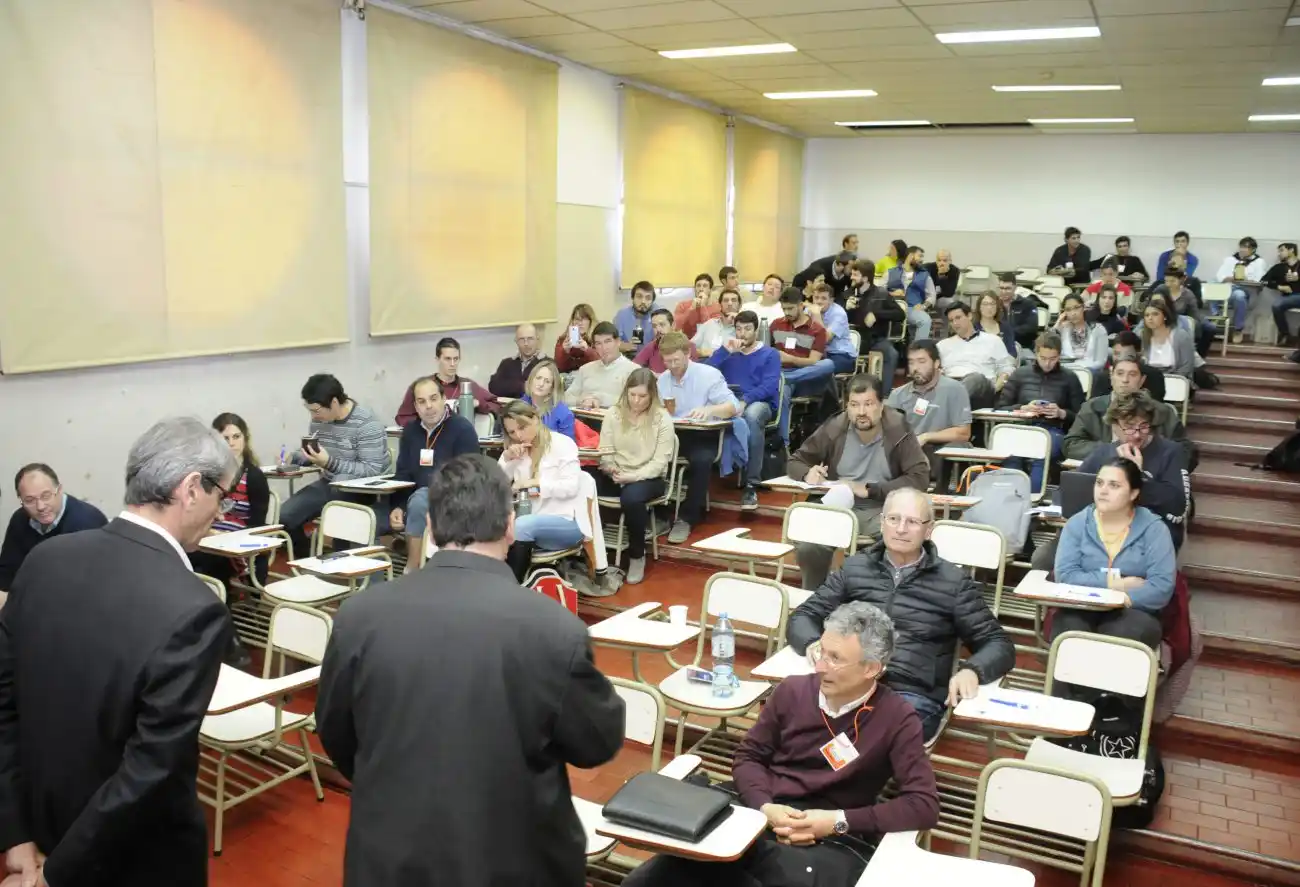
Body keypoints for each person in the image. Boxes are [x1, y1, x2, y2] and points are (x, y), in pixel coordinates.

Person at [315, 453, 624, 887]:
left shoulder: (359, 614)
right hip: (514, 862)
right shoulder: (554, 629)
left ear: (433, 528)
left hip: (389, 858)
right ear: (511, 525)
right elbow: (597, 742)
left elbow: (336, 733)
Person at [0, 417, 236, 887]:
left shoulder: (46, 562)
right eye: (222, 495)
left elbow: (5, 705)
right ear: (191, 489)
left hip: (44, 830)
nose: (222, 510)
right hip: (131, 858)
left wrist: (16, 833)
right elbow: (150, 771)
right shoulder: (194, 609)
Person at [622, 602, 939, 887]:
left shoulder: (897, 718)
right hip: (760, 809)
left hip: (826, 834)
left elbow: (923, 805)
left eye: (835, 659)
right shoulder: (793, 690)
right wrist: (764, 806)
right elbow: (749, 757)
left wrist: (838, 821)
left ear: (872, 669)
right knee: (659, 876)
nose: (819, 667)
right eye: (821, 652)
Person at [787, 488, 1016, 740]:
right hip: (849, 682)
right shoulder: (855, 568)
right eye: (893, 519)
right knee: (788, 714)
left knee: (855, 740)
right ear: (882, 523)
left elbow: (999, 644)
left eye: (912, 521)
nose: (901, 529)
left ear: (929, 530)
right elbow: (804, 615)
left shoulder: (953, 583)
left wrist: (972, 670)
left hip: (912, 696)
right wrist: (811, 642)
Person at [786, 375, 929, 588]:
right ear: (847, 406)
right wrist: (808, 473)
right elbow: (795, 461)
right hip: (839, 506)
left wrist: (871, 490)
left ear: (881, 405)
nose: (861, 412)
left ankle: (884, 596)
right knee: (809, 544)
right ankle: (814, 598)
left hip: (882, 507)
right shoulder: (835, 427)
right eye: (854, 405)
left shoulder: (897, 429)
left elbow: (919, 477)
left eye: (868, 404)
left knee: (900, 539)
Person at [1052, 457, 1175, 652]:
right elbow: (1066, 576)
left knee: (1117, 638)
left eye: (1114, 485)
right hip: (1082, 606)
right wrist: (1115, 584)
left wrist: (1122, 599)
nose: (1103, 490)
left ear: (1134, 493)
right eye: (1099, 483)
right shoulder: (1077, 523)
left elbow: (1161, 587)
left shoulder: (1155, 529)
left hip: (1134, 610)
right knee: (1069, 635)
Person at [188, 413, 271, 666]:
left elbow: (257, 525)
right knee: (185, 561)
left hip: (239, 547)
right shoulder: (207, 475)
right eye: (226, 438)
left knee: (211, 569)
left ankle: (228, 640)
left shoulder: (254, 476)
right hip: (209, 539)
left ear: (245, 440)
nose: (232, 442)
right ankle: (206, 629)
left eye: (237, 437)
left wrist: (226, 537)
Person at [282, 374, 392, 555]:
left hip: (363, 490)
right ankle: (305, 560)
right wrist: (294, 458)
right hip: (330, 484)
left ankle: (345, 562)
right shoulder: (319, 420)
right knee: (284, 517)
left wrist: (329, 463)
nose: (313, 416)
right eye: (309, 410)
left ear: (333, 403)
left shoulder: (367, 423)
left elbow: (372, 470)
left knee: (340, 505)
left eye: (316, 410)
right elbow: (318, 454)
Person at [1077, 391, 1189, 550]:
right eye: (1129, 428)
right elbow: (1070, 491)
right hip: (1105, 530)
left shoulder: (1171, 452)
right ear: (1114, 426)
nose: (1137, 435)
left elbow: (1178, 506)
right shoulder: (1104, 452)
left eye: (1143, 426)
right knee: (1045, 557)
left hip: (1153, 534)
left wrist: (1138, 476)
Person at [389, 377, 479, 570]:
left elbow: (469, 478)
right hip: (414, 501)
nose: (428, 406)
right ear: (415, 406)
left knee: (421, 499)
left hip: (453, 500)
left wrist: (432, 492)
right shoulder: (411, 432)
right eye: (422, 402)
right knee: (367, 513)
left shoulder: (462, 429)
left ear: (443, 398)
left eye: (433, 398)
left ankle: (413, 569)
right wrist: (397, 506)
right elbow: (403, 474)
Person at [595, 368, 676, 583]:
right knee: (583, 481)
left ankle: (637, 555)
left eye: (642, 396)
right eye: (632, 395)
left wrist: (634, 476)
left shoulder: (662, 418)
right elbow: (605, 450)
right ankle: (588, 552)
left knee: (631, 498)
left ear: (652, 396)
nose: (636, 401)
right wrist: (609, 466)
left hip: (650, 477)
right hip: (617, 472)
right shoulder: (614, 413)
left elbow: (660, 463)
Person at [658, 332, 739, 544]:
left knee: (702, 460)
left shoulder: (708, 374)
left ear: (688, 354)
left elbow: (733, 407)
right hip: (674, 433)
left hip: (703, 435)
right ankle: (657, 512)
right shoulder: (662, 379)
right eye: (667, 361)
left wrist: (710, 409)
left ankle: (687, 516)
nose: (672, 366)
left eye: (676, 360)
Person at [498, 401, 588, 581]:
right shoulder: (517, 451)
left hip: (566, 521)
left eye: (522, 427)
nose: (519, 435)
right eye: (512, 432)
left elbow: (570, 487)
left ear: (536, 419)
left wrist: (536, 482)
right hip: (529, 521)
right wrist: (506, 460)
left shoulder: (562, 443)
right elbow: (494, 486)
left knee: (522, 525)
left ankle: (512, 590)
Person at [708, 310, 782, 511]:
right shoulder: (728, 353)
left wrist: (745, 401)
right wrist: (724, 351)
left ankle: (751, 484)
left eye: (747, 329)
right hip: (729, 400)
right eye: (738, 329)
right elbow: (703, 371)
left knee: (751, 415)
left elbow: (769, 386)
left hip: (761, 403)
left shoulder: (769, 354)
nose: (742, 334)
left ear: (756, 330)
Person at [1063, 357, 1194, 469]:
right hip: (1102, 472)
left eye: (1132, 374)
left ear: (1142, 380)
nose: (1125, 380)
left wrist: (1149, 455)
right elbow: (1070, 445)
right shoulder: (1091, 408)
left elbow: (1187, 452)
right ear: (1111, 376)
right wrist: (1112, 450)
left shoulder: (1163, 412)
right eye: (1120, 373)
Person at [0, 464, 107, 597]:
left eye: (46, 496)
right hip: (29, 602)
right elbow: (7, 572)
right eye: (29, 500)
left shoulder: (87, 523)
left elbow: (91, 586)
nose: (40, 506)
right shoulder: (20, 519)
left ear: (60, 490)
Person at [997, 332, 1085, 490]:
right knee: (1011, 455)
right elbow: (1000, 407)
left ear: (1059, 356)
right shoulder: (1020, 374)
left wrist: (1061, 413)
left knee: (1041, 454)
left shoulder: (1070, 378)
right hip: (1020, 427)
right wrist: (1022, 408)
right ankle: (1013, 496)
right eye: (1043, 358)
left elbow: (1082, 416)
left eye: (1053, 359)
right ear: (1036, 354)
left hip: (1053, 429)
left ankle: (1033, 497)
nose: (1048, 363)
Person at [887, 340, 973, 478]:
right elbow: (889, 431)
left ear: (936, 363)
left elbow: (963, 433)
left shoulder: (955, 389)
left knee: (954, 448)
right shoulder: (898, 394)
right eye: (911, 362)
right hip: (909, 452)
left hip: (940, 449)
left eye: (921, 361)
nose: (915, 368)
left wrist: (926, 437)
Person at [771, 286, 835, 443]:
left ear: (801, 305)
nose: (787, 313)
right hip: (781, 373)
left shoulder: (816, 329)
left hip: (805, 376)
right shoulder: (776, 325)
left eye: (790, 308)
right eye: (784, 309)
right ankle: (783, 444)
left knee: (828, 364)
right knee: (782, 391)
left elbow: (814, 361)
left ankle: (786, 378)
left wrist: (790, 359)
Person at [395, 337, 499, 426]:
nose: (453, 364)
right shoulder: (421, 387)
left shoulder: (467, 386)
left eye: (456, 359)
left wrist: (478, 404)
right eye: (448, 359)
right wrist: (426, 422)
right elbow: (402, 417)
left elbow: (497, 405)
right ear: (437, 359)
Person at [936, 302, 1014, 410]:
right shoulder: (942, 345)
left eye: (958, 318)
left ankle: (946, 408)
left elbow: (1006, 369)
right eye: (951, 320)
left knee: (975, 378)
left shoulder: (993, 341)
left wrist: (996, 388)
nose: (955, 323)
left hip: (982, 388)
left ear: (969, 316)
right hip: (951, 385)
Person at [846, 258, 903, 394]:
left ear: (865, 278)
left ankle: (884, 396)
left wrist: (876, 314)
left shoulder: (881, 294)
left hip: (874, 340)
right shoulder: (847, 294)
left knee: (891, 354)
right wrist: (846, 308)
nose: (851, 277)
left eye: (855, 274)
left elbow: (900, 314)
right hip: (852, 340)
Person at [564, 321, 636, 410]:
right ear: (594, 347)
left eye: (608, 341)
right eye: (598, 343)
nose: (604, 348)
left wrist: (599, 399)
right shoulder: (585, 369)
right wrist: (582, 400)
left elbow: (634, 402)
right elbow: (565, 397)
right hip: (583, 417)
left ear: (618, 342)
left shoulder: (633, 370)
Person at [1214, 236, 1268, 343]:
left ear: (1253, 250)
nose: (1243, 249)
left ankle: (1238, 329)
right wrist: (1229, 278)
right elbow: (1219, 276)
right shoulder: (1230, 260)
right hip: (1228, 288)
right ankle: (1216, 317)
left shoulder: (1258, 262)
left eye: (1247, 247)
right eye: (1242, 246)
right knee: (1212, 285)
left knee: (1239, 295)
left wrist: (1246, 279)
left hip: (1246, 290)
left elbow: (1260, 280)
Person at [1151, 266, 1214, 355]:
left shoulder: (1188, 294)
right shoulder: (1160, 289)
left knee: (1209, 328)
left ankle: (1198, 355)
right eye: (1166, 281)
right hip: (1163, 319)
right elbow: (1151, 307)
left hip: (1184, 319)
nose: (1169, 284)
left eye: (1172, 281)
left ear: (1181, 280)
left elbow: (1194, 315)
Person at [1093, 330, 1166, 402]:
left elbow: (1157, 408)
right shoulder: (1102, 378)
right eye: (1116, 354)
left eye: (1127, 355)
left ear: (1139, 354)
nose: (1120, 359)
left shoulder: (1154, 376)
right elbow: (1095, 406)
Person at [807, 281, 858, 375]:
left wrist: (817, 316)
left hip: (841, 355)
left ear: (831, 300)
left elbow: (825, 339)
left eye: (823, 298)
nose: (818, 302)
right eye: (816, 298)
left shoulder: (839, 313)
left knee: (819, 369)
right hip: (818, 353)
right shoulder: (808, 311)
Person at [887, 245, 935, 340]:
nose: (921, 260)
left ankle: (917, 350)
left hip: (912, 309)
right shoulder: (890, 272)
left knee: (925, 320)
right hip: (893, 307)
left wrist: (923, 306)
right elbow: (878, 291)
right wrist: (892, 294)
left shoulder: (924, 274)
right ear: (910, 256)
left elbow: (932, 295)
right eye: (919, 256)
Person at [1139, 298, 1195, 379]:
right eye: (1147, 315)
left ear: (1165, 316)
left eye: (1155, 314)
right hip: (1151, 378)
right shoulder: (1144, 336)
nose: (1150, 318)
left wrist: (1171, 379)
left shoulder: (1181, 335)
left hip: (1176, 378)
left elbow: (1187, 365)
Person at [522, 359, 576, 440]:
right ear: (531, 379)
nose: (541, 384)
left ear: (552, 388)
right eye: (538, 378)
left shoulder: (564, 414)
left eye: (547, 381)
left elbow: (568, 447)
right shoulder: (520, 404)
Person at [1054, 292, 1109, 372]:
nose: (1073, 313)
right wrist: (1057, 325)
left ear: (1083, 307)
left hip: (1090, 373)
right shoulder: (1062, 329)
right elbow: (1048, 350)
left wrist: (1080, 368)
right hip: (1067, 374)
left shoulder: (1098, 330)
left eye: (1076, 308)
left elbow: (1101, 362)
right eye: (1068, 310)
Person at [487, 323, 543, 398]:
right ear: (516, 341)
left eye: (530, 339)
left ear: (537, 339)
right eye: (522, 339)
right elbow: (493, 387)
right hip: (509, 408)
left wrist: (508, 385)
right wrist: (522, 386)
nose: (526, 343)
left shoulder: (547, 364)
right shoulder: (506, 363)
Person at [634, 307, 697, 374]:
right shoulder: (652, 346)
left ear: (673, 326)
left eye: (662, 325)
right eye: (654, 326)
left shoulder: (688, 346)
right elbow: (633, 366)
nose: (658, 329)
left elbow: (691, 374)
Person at [998, 272, 1045, 351]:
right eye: (1001, 288)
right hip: (1000, 347)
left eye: (1008, 288)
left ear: (1015, 287)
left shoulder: (1028, 304)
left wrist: (1006, 333)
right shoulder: (995, 305)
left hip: (1024, 347)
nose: (1004, 291)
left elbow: (1031, 328)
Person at [1266, 241, 1300, 345]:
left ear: (1291, 250)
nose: (1279, 253)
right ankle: (1285, 334)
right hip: (1288, 298)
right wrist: (1279, 286)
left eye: (1282, 250)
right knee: (1276, 305)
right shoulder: (1278, 268)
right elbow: (1263, 281)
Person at [692, 289, 741, 357]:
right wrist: (703, 352)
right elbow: (689, 348)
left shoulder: (744, 328)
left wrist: (739, 322)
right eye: (726, 300)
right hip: (705, 363)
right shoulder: (709, 324)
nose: (730, 303)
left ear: (739, 305)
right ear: (720, 305)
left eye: (734, 300)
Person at [674, 272, 722, 340]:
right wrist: (691, 309)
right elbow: (676, 326)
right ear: (695, 289)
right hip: (687, 342)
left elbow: (710, 330)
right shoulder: (682, 305)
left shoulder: (717, 307)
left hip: (708, 343)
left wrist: (702, 307)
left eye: (705, 286)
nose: (701, 289)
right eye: (698, 286)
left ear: (710, 290)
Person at [554, 303, 600, 374]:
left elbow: (602, 364)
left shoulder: (597, 339)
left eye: (584, 319)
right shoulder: (563, 340)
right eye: (577, 319)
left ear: (590, 321)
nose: (580, 323)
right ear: (572, 321)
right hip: (569, 380)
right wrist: (564, 352)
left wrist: (587, 350)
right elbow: (558, 368)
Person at [614, 280, 657, 353]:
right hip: (629, 358)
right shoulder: (622, 315)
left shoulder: (658, 315)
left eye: (648, 298)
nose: (643, 301)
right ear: (632, 298)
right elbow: (613, 343)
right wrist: (625, 346)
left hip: (651, 358)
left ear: (652, 301)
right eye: (639, 296)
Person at [974, 289, 1017, 359]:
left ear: (997, 306)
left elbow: (1012, 353)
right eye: (985, 304)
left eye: (992, 304)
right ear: (979, 307)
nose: (989, 307)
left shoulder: (1005, 327)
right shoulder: (973, 328)